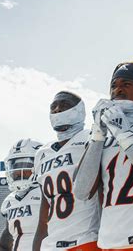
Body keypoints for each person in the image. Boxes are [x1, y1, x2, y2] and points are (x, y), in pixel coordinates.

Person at [73, 61, 133, 250]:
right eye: (114, 86)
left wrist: (125, 136)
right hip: (110, 242)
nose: (118, 90)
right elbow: (82, 191)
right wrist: (98, 134)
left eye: (126, 84)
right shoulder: (105, 133)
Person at [32, 91, 101, 251]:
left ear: (79, 110)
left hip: (85, 240)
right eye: (53, 107)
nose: (57, 110)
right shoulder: (42, 153)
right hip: (51, 245)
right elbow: (44, 214)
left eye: (64, 105)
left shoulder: (92, 138)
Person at [0, 138, 44, 251]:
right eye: (15, 167)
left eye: (25, 165)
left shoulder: (47, 193)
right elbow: (4, 245)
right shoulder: (10, 201)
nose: (18, 172)